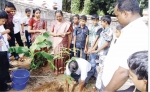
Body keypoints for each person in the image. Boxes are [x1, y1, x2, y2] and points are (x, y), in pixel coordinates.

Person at [100, 0, 148, 91]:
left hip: (118, 88)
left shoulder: (137, 33)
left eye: (117, 15)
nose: (116, 19)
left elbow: (124, 71)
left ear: (125, 13)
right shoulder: (131, 30)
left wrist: (106, 90)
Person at [50, 10, 72, 75]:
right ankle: (56, 70)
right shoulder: (54, 23)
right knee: (57, 55)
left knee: (63, 55)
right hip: (56, 41)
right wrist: (58, 34)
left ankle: (63, 70)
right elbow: (51, 32)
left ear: (62, 16)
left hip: (64, 41)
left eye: (60, 16)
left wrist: (64, 33)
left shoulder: (67, 23)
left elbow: (70, 32)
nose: (58, 18)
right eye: (57, 17)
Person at [0, 10, 11, 91]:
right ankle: (2, 87)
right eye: (3, 21)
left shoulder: (1, 25)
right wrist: (6, 32)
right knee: (1, 69)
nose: (4, 23)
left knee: (5, 66)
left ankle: (5, 80)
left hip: (3, 50)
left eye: (5, 21)